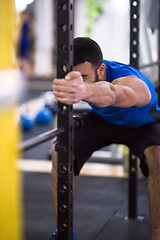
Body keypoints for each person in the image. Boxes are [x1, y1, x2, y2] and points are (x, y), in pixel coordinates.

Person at [51, 37, 160, 240]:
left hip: (142, 125)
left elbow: (113, 94)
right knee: (60, 151)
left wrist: (84, 90)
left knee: (158, 157)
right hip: (102, 121)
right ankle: (64, 232)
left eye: (84, 76)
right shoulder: (83, 73)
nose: (78, 81)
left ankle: (157, 234)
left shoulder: (131, 82)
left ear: (101, 70)